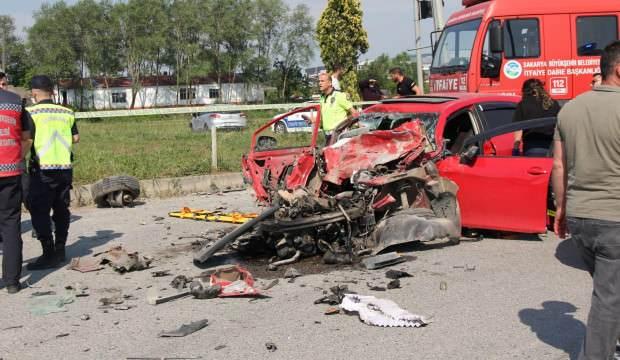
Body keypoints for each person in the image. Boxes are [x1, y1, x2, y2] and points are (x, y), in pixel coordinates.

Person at [552, 40, 620, 360]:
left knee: (611, 290)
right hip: (614, 218)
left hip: (580, 217)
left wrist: (561, 209)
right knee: (608, 298)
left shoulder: (570, 109)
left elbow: (559, 165)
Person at [26, 75, 79, 270]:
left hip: (42, 169)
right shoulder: (67, 112)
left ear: (34, 93)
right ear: (52, 91)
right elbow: (76, 137)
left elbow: (27, 139)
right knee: (61, 209)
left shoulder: (30, 112)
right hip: (64, 168)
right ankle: (60, 249)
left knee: (39, 210)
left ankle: (48, 253)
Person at [0, 77, 32, 293]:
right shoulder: (16, 101)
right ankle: (12, 282)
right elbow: (27, 138)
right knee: (11, 224)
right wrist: (16, 158)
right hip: (10, 171)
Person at [512, 79, 560, 157]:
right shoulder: (553, 103)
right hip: (551, 147)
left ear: (525, 91)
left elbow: (518, 130)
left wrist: (515, 149)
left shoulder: (523, 105)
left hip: (531, 148)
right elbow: (559, 126)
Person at [315, 72, 357, 143]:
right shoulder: (322, 98)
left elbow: (354, 113)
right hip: (327, 135)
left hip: (339, 134)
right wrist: (313, 121)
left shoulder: (339, 95)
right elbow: (324, 117)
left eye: (322, 81)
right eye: (319, 81)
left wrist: (356, 126)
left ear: (330, 83)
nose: (320, 83)